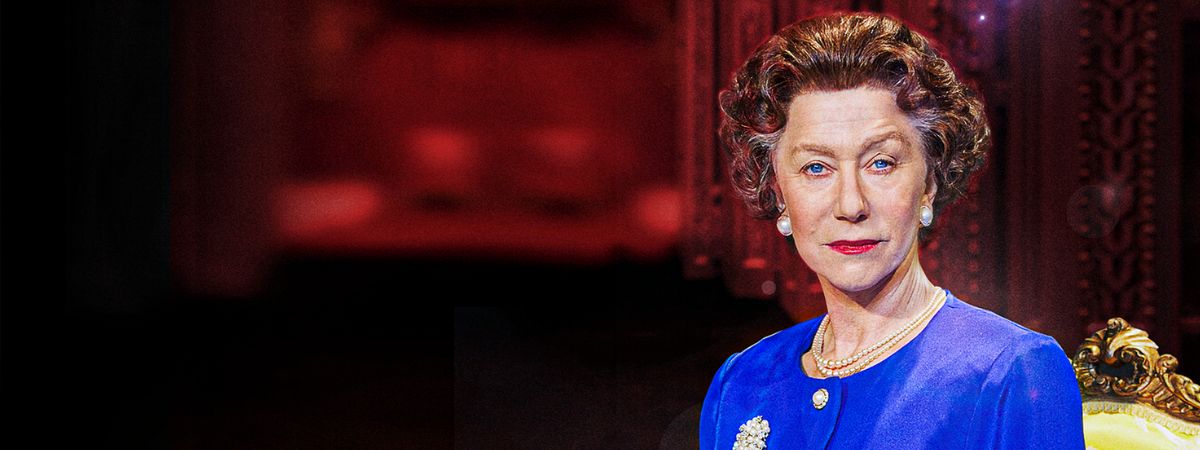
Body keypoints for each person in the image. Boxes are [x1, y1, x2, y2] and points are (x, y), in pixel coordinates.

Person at [701, 12, 1084, 449]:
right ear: (777, 191)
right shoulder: (742, 382)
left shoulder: (1011, 372)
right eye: (816, 168)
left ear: (930, 185)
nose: (850, 206)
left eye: (880, 163)